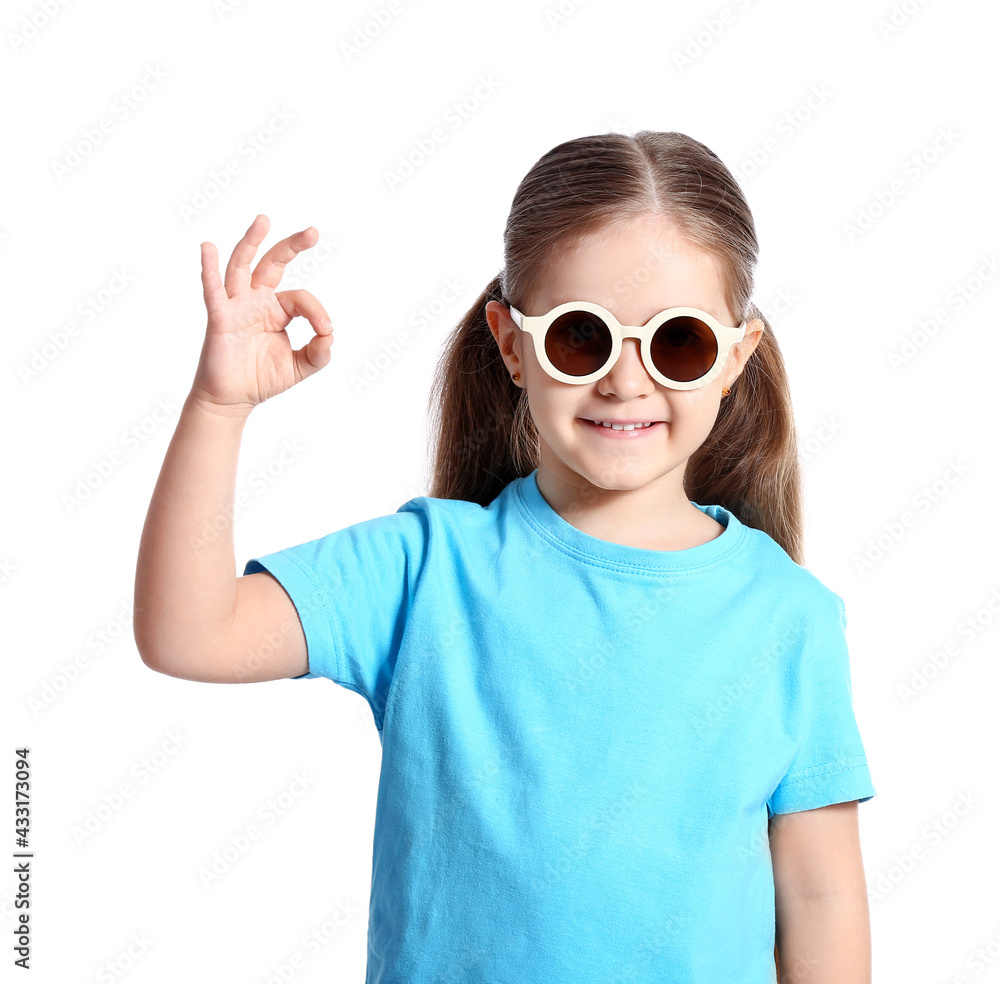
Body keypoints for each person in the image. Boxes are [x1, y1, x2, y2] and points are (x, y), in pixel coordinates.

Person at [133, 130, 877, 984]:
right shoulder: (423, 574)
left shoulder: (790, 615)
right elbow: (188, 634)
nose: (626, 381)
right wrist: (219, 408)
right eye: (579, 338)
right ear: (512, 343)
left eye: (678, 343)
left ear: (734, 361)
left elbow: (821, 896)